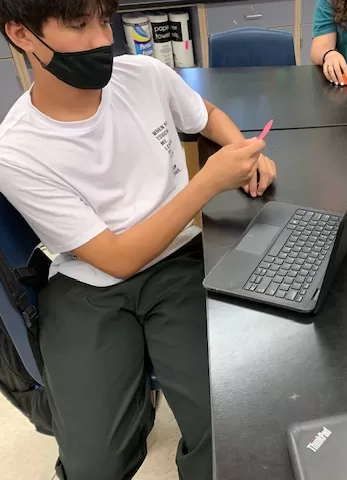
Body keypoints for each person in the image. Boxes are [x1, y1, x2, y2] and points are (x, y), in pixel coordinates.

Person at [0, 0, 276, 478]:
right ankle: (133, 402)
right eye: (77, 25)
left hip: (179, 261)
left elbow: (205, 113)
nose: (101, 39)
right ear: (22, 36)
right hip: (89, 280)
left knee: (229, 429)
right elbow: (115, 259)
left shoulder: (144, 75)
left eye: (103, 22)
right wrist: (208, 181)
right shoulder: (17, 151)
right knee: (94, 465)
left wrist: (240, 151)